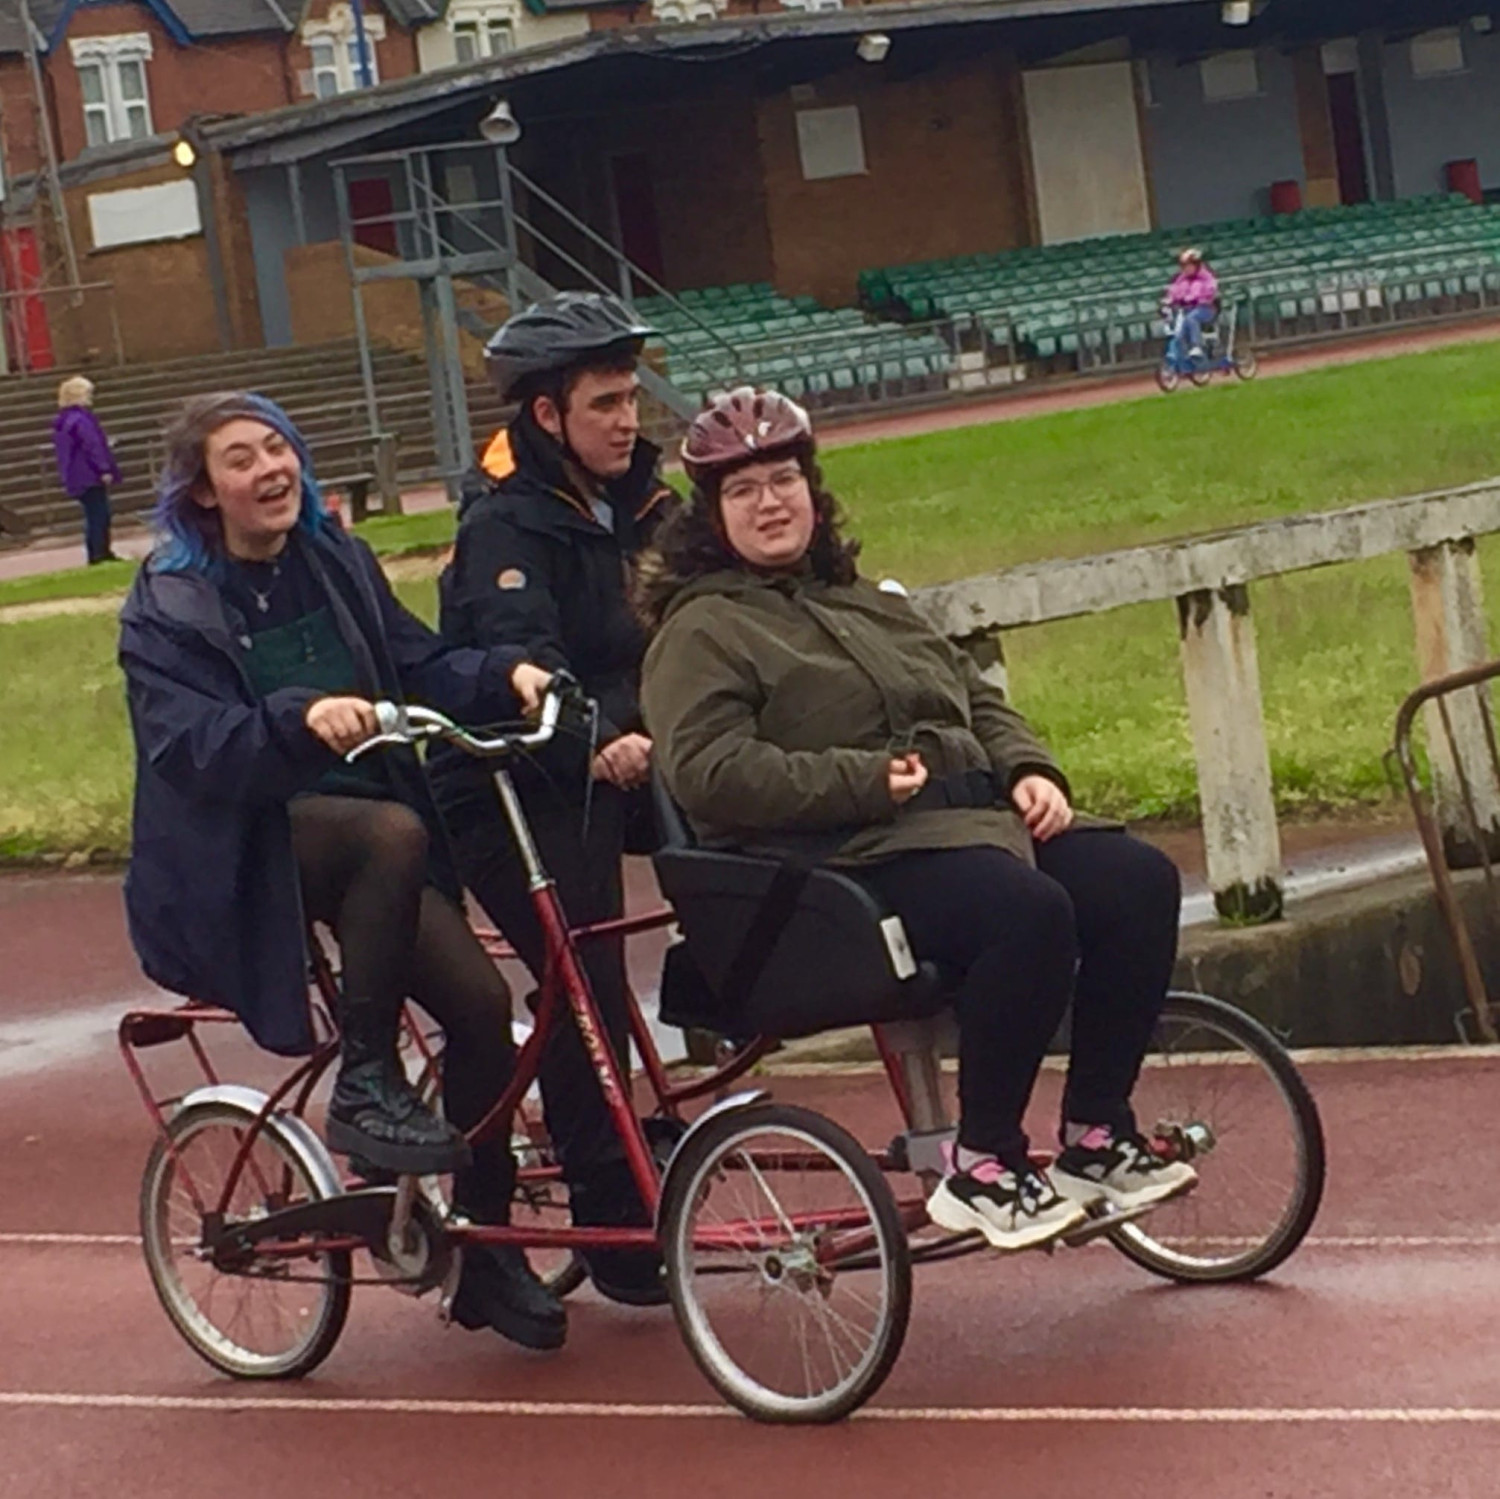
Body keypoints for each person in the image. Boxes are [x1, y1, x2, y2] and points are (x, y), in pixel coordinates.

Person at [637, 387, 1196, 1255]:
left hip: (968, 825)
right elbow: (708, 773)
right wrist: (859, 780)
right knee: (1027, 912)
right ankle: (985, 1160)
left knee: (1137, 882)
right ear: (711, 516)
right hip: (841, 863)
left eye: (783, 479)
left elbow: (971, 695)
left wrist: (1027, 766)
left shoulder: (865, 599)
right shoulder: (701, 631)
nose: (770, 502)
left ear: (813, 493)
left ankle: (1094, 1132)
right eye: (742, 491)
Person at [119, 391, 568, 1350]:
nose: (271, 469)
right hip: (246, 847)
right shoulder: (169, 605)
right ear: (203, 492)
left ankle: (485, 1246)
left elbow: (417, 661)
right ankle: (367, 1076)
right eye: (241, 459)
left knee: (485, 1012)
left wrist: (505, 676)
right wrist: (299, 715)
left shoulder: (336, 559)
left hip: (373, 846)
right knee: (389, 831)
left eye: (279, 446)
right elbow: (190, 746)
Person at [434, 292, 676, 1306]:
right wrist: (599, 735)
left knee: (749, 850)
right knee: (587, 972)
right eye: (605, 402)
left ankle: (722, 1009)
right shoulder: (507, 525)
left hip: (629, 754)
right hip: (509, 786)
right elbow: (523, 657)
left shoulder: (648, 500)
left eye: (632, 396)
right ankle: (606, 1201)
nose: (628, 419)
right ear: (547, 417)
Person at [52, 376, 122, 565]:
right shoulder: (81, 419)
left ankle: (97, 551)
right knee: (100, 514)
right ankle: (100, 552)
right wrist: (104, 469)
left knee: (94, 514)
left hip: (76, 474)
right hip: (88, 473)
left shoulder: (63, 420)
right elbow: (92, 445)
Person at [1164, 247, 1220, 361]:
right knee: (1178, 330)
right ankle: (1178, 353)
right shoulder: (1182, 279)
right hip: (1187, 309)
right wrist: (1169, 300)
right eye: (1184, 266)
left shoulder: (1206, 277)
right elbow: (1175, 290)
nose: (1186, 269)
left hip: (1206, 309)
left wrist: (1199, 299)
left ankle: (1196, 346)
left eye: (1189, 265)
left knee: (1191, 319)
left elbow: (1210, 290)